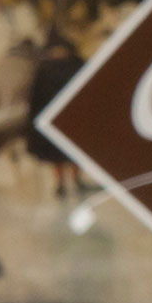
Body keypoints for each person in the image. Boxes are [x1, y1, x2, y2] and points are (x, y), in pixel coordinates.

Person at [24, 29, 86, 195]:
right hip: (73, 119)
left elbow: (34, 100)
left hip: (55, 120)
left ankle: (63, 183)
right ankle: (74, 181)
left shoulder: (44, 69)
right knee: (74, 151)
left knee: (61, 154)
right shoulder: (76, 64)